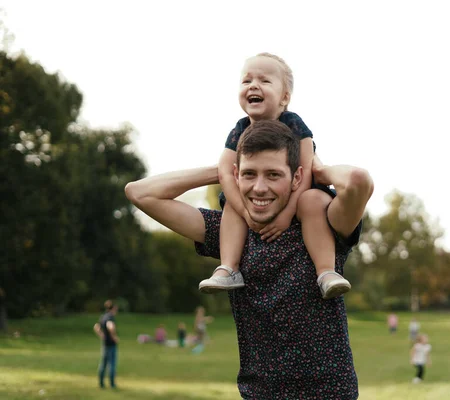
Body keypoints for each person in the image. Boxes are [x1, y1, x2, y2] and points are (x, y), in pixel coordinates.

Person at [124, 119, 374, 399]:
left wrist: (319, 171)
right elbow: (140, 192)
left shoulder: (321, 226)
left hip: (329, 392)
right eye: (249, 174)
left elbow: (357, 181)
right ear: (236, 175)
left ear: (296, 177)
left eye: (273, 175)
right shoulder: (231, 233)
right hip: (259, 393)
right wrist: (219, 172)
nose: (259, 187)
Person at [197, 52, 350, 300]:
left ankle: (326, 272)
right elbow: (225, 170)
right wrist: (245, 211)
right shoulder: (239, 129)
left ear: (284, 97)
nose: (253, 85)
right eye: (246, 81)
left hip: (298, 196)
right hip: (259, 202)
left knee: (311, 200)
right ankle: (228, 268)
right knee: (231, 202)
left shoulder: (293, 122)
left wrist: (288, 214)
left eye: (265, 81)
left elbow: (306, 167)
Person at [93, 300, 119, 389]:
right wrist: (114, 337)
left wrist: (102, 335)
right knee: (112, 364)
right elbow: (110, 326)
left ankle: (101, 383)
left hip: (105, 344)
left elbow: (96, 327)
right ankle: (112, 384)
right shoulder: (110, 317)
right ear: (113, 308)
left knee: (103, 364)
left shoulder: (103, 317)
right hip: (111, 344)